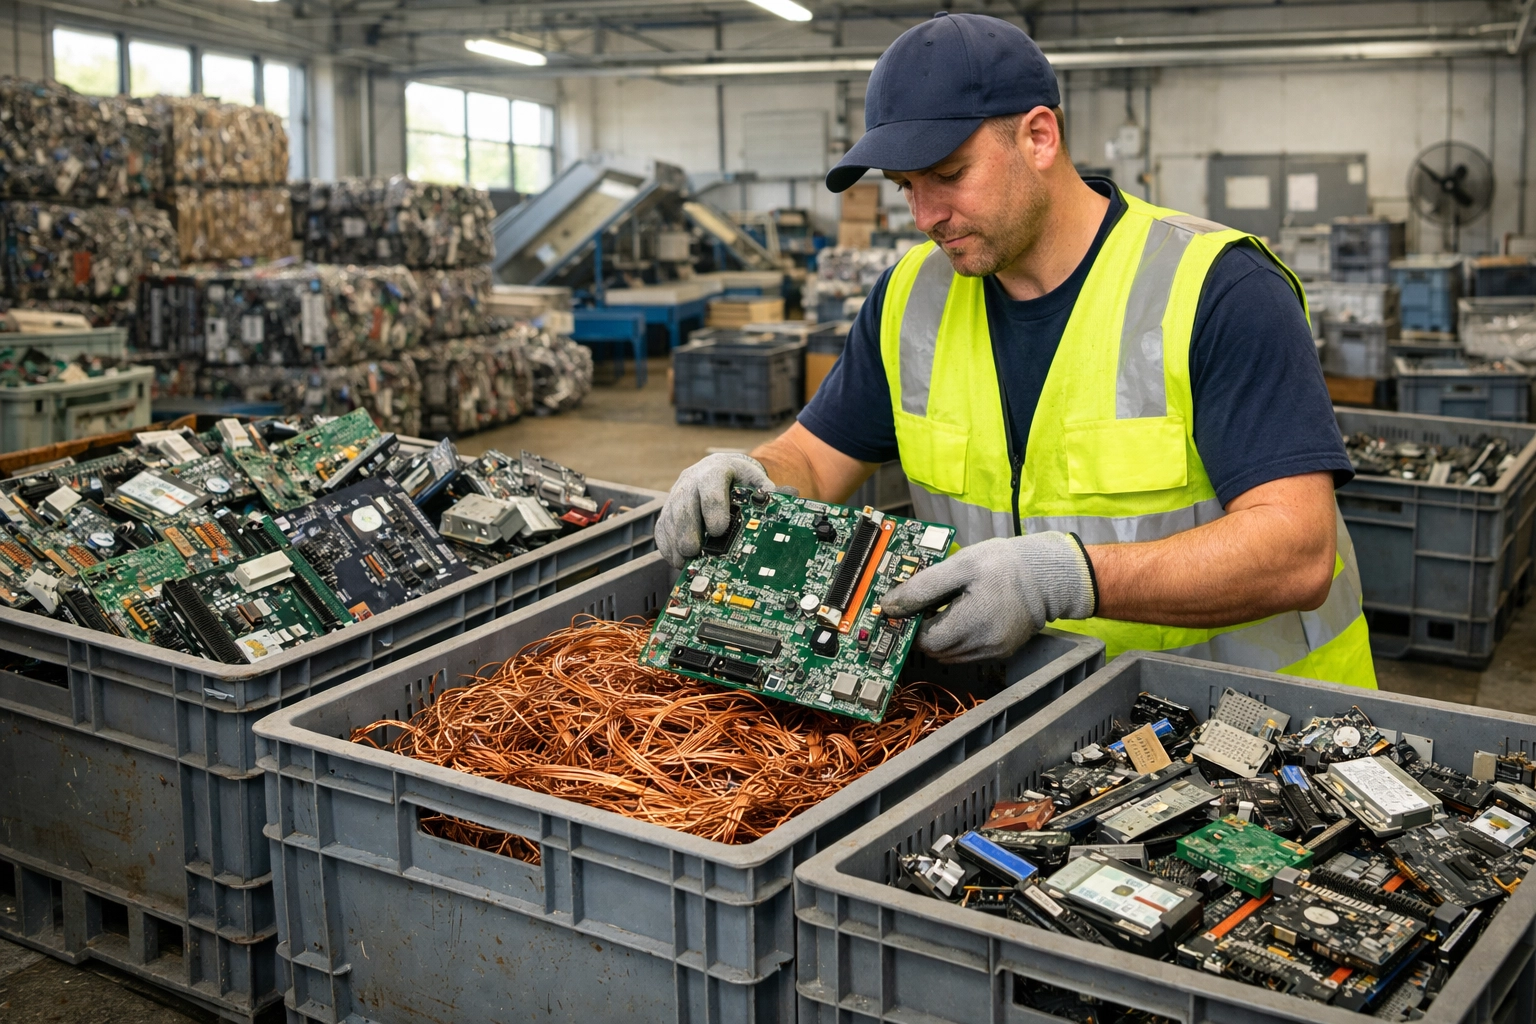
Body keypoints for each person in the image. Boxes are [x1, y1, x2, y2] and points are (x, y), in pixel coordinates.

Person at [656, 11, 1376, 688]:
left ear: (1038, 137)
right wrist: (751, 474)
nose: (925, 216)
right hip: (1032, 726)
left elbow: (1297, 551)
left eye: (947, 174)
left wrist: (1062, 579)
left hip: (1252, 739)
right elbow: (815, 458)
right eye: (905, 186)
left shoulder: (1216, 286)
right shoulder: (912, 297)